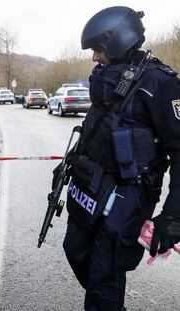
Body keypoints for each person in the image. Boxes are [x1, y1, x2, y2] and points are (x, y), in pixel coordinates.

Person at [62, 6, 180, 310]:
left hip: (129, 195)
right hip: (91, 186)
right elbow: (95, 131)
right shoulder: (105, 79)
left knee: (105, 278)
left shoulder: (160, 83)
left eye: (98, 49)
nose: (93, 57)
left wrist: (173, 216)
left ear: (118, 42)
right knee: (75, 250)